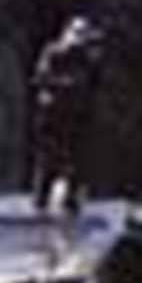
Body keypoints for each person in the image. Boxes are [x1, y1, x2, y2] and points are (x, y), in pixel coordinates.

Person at [30, 15, 106, 218]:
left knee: (78, 162)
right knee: (49, 160)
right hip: (54, 116)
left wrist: (93, 63)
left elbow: (95, 85)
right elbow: (41, 79)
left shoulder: (88, 58)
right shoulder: (54, 52)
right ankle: (41, 200)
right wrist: (65, 85)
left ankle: (71, 202)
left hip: (79, 117)